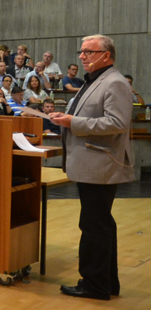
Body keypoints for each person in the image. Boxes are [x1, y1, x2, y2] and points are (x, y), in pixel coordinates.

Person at [49, 35, 133, 301]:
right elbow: (87, 116)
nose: (82, 56)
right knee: (100, 224)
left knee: (94, 226)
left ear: (105, 55)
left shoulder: (115, 82)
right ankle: (107, 283)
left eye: (88, 52)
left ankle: (94, 284)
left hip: (101, 164)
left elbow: (116, 123)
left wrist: (73, 122)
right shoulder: (96, 80)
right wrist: (66, 118)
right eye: (81, 51)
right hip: (93, 163)